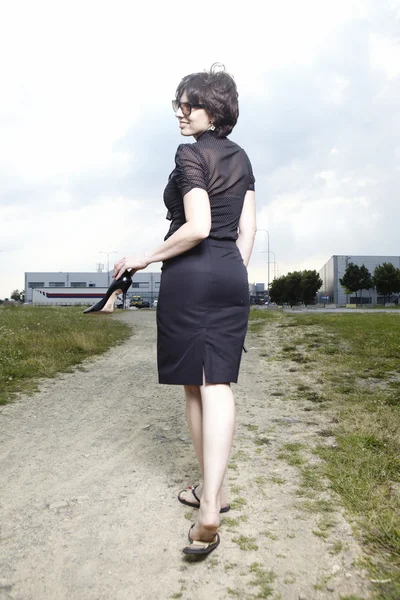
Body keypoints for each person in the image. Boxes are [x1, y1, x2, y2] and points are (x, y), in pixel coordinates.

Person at [113, 63, 256, 555]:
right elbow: (247, 230)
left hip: (191, 274)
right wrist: (230, 271)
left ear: (213, 110)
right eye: (179, 102)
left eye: (189, 103)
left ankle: (210, 506)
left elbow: (195, 226)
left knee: (197, 387)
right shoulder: (242, 158)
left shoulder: (190, 153)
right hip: (231, 271)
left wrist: (143, 257)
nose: (181, 110)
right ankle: (213, 491)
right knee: (216, 381)